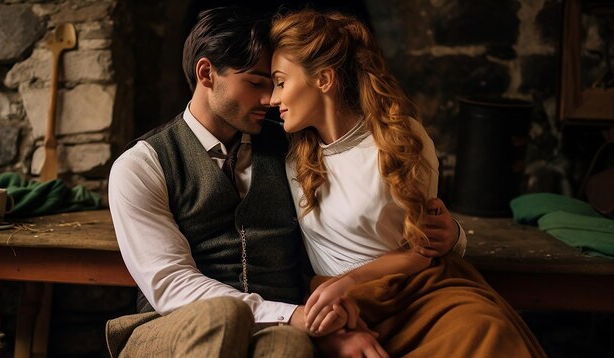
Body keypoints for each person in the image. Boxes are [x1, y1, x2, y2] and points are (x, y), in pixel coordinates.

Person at [105, 6, 461, 358]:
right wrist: (294, 316)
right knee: (225, 316)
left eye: (276, 83)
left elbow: (351, 198)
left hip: (280, 328)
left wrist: (447, 231)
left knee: (288, 347)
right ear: (206, 73)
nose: (270, 100)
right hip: (170, 327)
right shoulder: (140, 166)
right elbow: (170, 285)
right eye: (257, 83)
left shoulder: (291, 145)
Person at [268, 8, 547, 358]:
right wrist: (338, 294)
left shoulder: (400, 139)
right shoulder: (291, 155)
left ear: (324, 80)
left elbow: (421, 252)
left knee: (487, 330)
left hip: (418, 291)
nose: (272, 98)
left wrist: (352, 280)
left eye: (280, 82)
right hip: (345, 304)